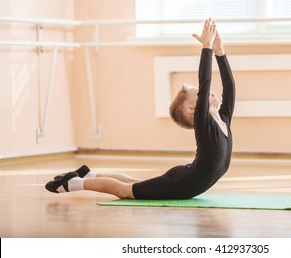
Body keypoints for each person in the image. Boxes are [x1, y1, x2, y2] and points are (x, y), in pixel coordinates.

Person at [45, 18, 235, 199]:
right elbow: (205, 79)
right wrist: (206, 47)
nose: (208, 92)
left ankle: (89, 175)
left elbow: (230, 87)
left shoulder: (223, 119)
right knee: (125, 191)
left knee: (136, 184)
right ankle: (73, 183)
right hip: (181, 183)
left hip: (183, 180)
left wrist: (220, 51)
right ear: (193, 109)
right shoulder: (204, 125)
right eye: (202, 93)